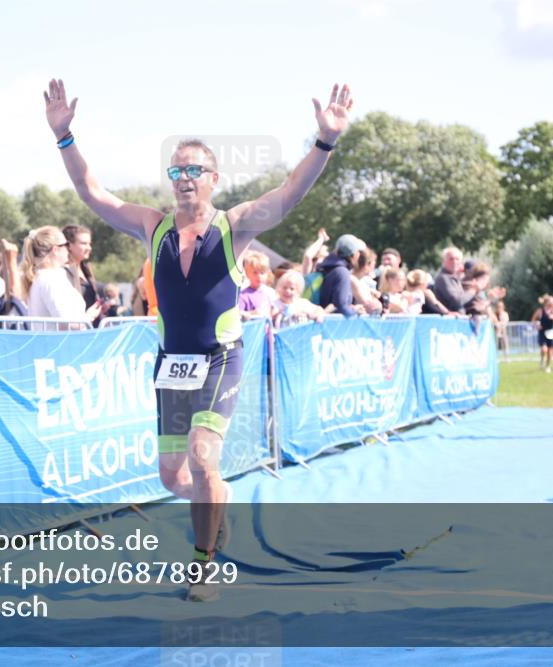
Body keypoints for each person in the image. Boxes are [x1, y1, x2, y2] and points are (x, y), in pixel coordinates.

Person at [45, 77, 353, 601]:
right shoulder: (153, 226)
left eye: (193, 171)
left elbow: (289, 193)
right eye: (176, 170)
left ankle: (203, 562)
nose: (183, 179)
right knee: (173, 477)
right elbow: (92, 193)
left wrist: (324, 141)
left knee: (203, 457)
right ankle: (216, 505)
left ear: (213, 178)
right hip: (171, 363)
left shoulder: (235, 225)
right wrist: (64, 136)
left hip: (219, 360)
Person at [20, 225, 101, 329]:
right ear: (55, 249)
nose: (68, 248)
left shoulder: (40, 277)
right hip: (61, 343)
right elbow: (68, 323)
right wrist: (89, 316)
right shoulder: (51, 280)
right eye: (66, 244)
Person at [314, 234, 364, 316]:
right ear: (353, 254)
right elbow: (340, 305)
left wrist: (351, 308)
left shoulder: (326, 267)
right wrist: (354, 313)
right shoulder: (342, 273)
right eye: (358, 252)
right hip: (332, 326)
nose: (359, 255)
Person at [433, 246, 475, 314]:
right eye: (451, 259)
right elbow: (457, 302)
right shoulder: (443, 279)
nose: (454, 262)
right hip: (449, 322)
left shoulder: (454, 278)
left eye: (457, 259)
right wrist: (473, 290)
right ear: (444, 261)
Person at [238, 250, 275, 320]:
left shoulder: (269, 293)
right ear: (247, 274)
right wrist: (251, 313)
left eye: (262, 272)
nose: (259, 276)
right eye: (255, 273)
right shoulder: (243, 296)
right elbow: (238, 315)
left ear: (267, 273)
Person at [531, 294, 553, 372]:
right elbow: (533, 320)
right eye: (550, 301)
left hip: (551, 332)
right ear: (546, 302)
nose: (552, 303)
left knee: (550, 350)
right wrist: (537, 325)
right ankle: (542, 359)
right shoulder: (540, 311)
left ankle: (548, 366)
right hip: (542, 332)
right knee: (544, 349)